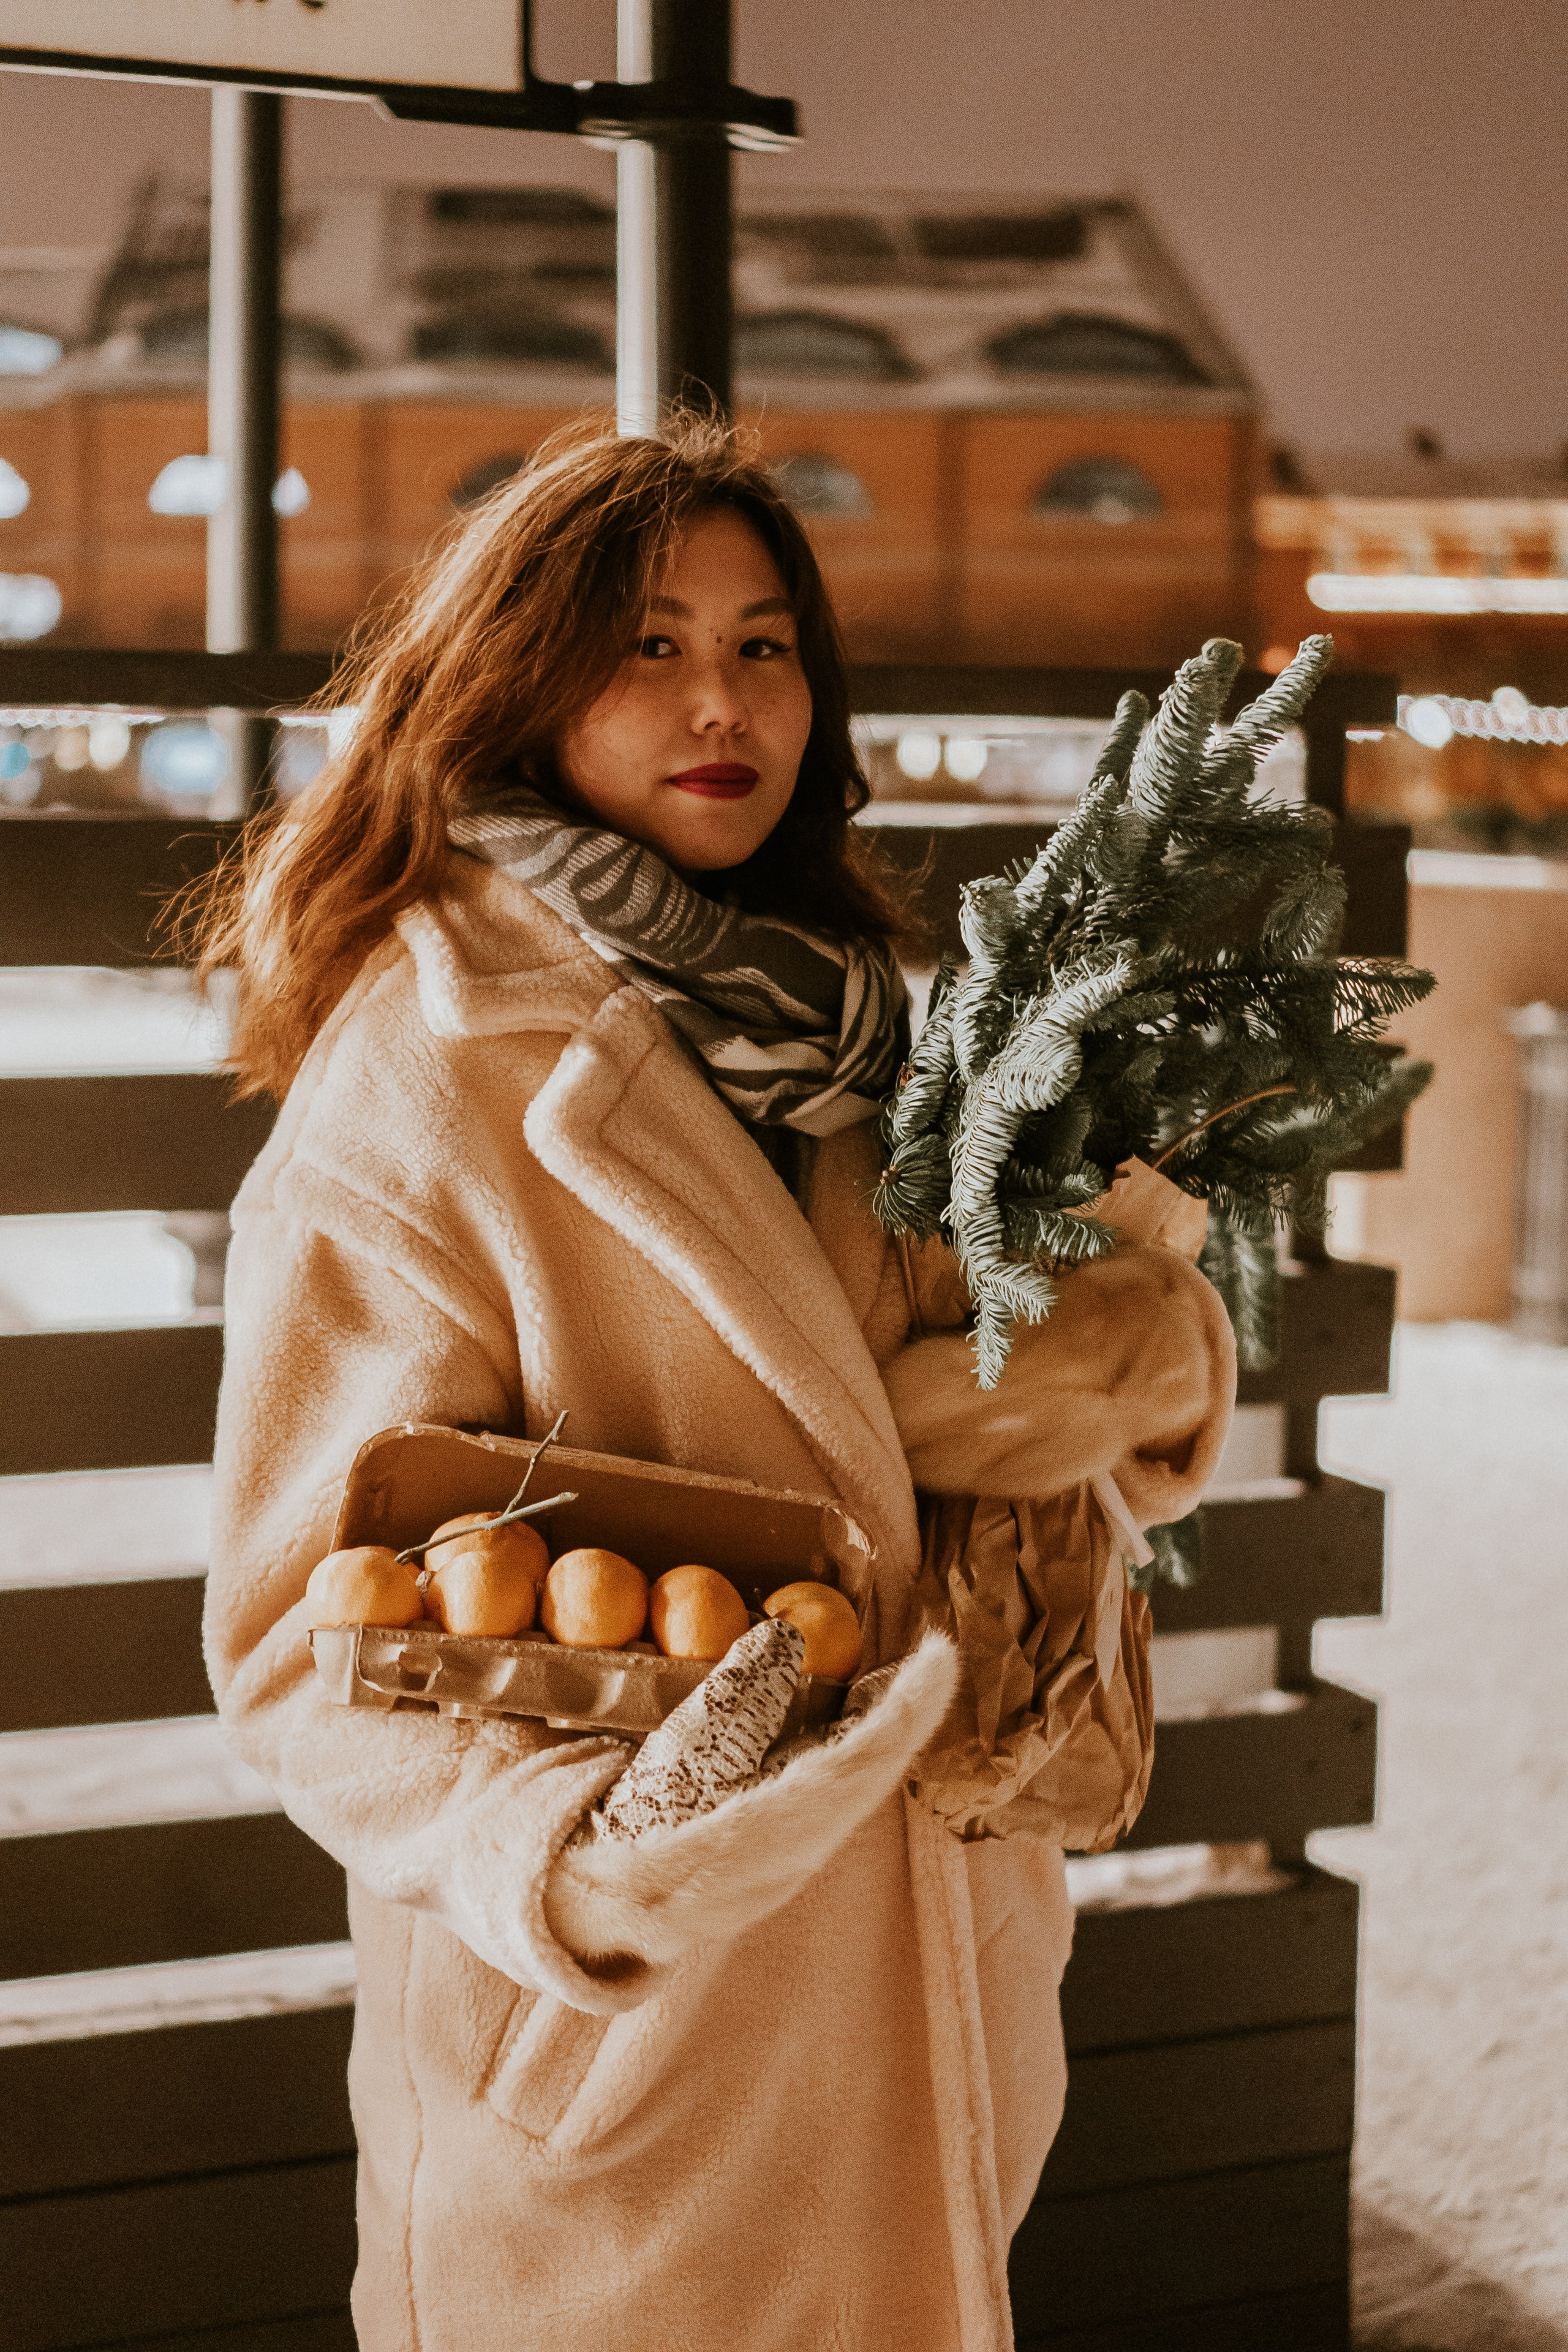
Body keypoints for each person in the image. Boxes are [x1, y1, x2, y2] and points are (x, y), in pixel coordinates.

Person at [199, 415, 1233, 2352]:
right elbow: (288, 1647)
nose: (721, 699)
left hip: (924, 1971)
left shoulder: (866, 1030)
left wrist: (1119, 1354)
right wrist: (573, 1872)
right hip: (625, 2043)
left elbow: (976, 1421)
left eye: (765, 643)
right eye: (650, 643)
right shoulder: (422, 1088)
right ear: (515, 680)